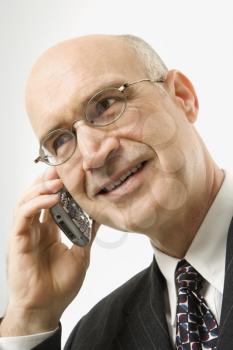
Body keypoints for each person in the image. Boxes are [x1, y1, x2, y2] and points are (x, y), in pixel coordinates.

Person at [0, 33, 232, 350]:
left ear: (181, 97)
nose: (93, 154)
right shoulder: (93, 338)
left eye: (107, 104)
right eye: (61, 141)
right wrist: (28, 319)